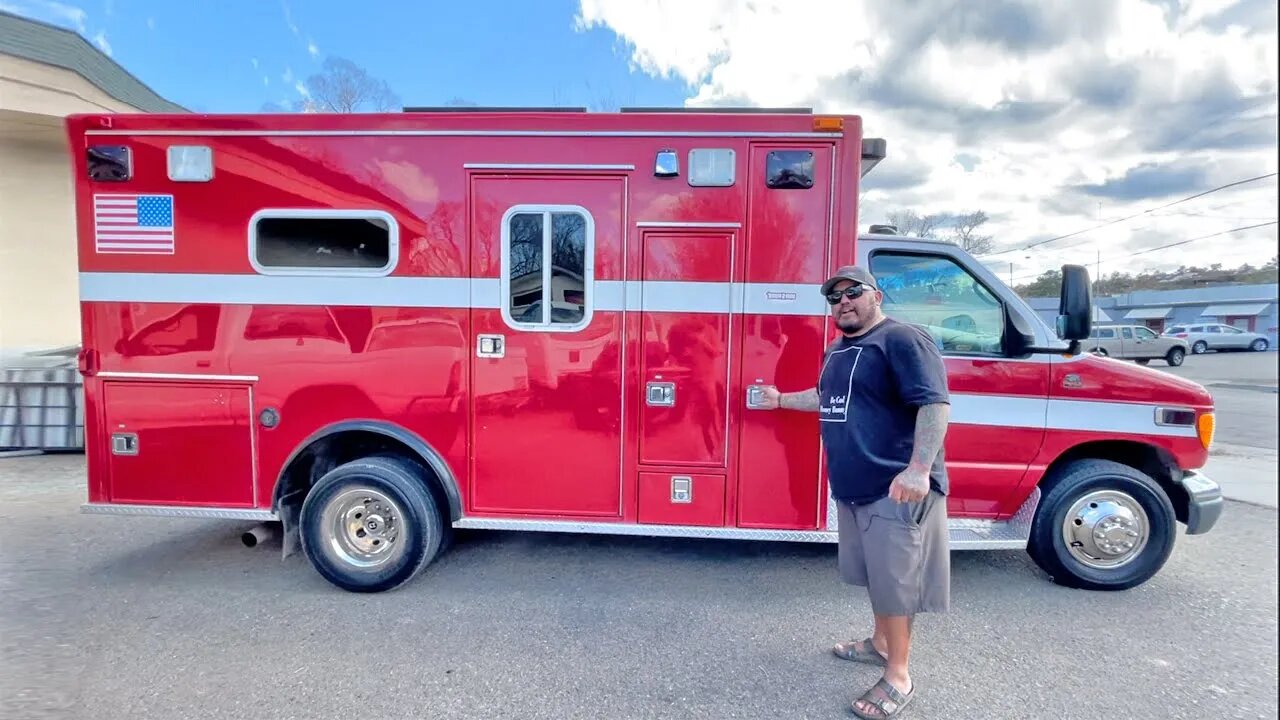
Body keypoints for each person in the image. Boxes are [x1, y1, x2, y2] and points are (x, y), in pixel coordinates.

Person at [755, 265, 951, 719]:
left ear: (875, 296)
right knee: (879, 577)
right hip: (855, 486)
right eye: (834, 297)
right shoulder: (840, 350)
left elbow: (933, 402)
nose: (843, 301)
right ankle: (881, 643)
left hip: (895, 486)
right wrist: (781, 400)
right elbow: (828, 399)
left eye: (852, 292)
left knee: (898, 583)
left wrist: (918, 469)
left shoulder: (901, 339)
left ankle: (898, 675)